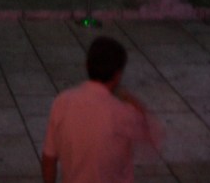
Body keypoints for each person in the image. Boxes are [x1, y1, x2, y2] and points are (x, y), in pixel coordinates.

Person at [41, 35, 164, 183]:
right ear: (118, 75)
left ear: (87, 65)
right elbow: (152, 133)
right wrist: (127, 97)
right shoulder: (123, 113)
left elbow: (49, 158)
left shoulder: (62, 103)